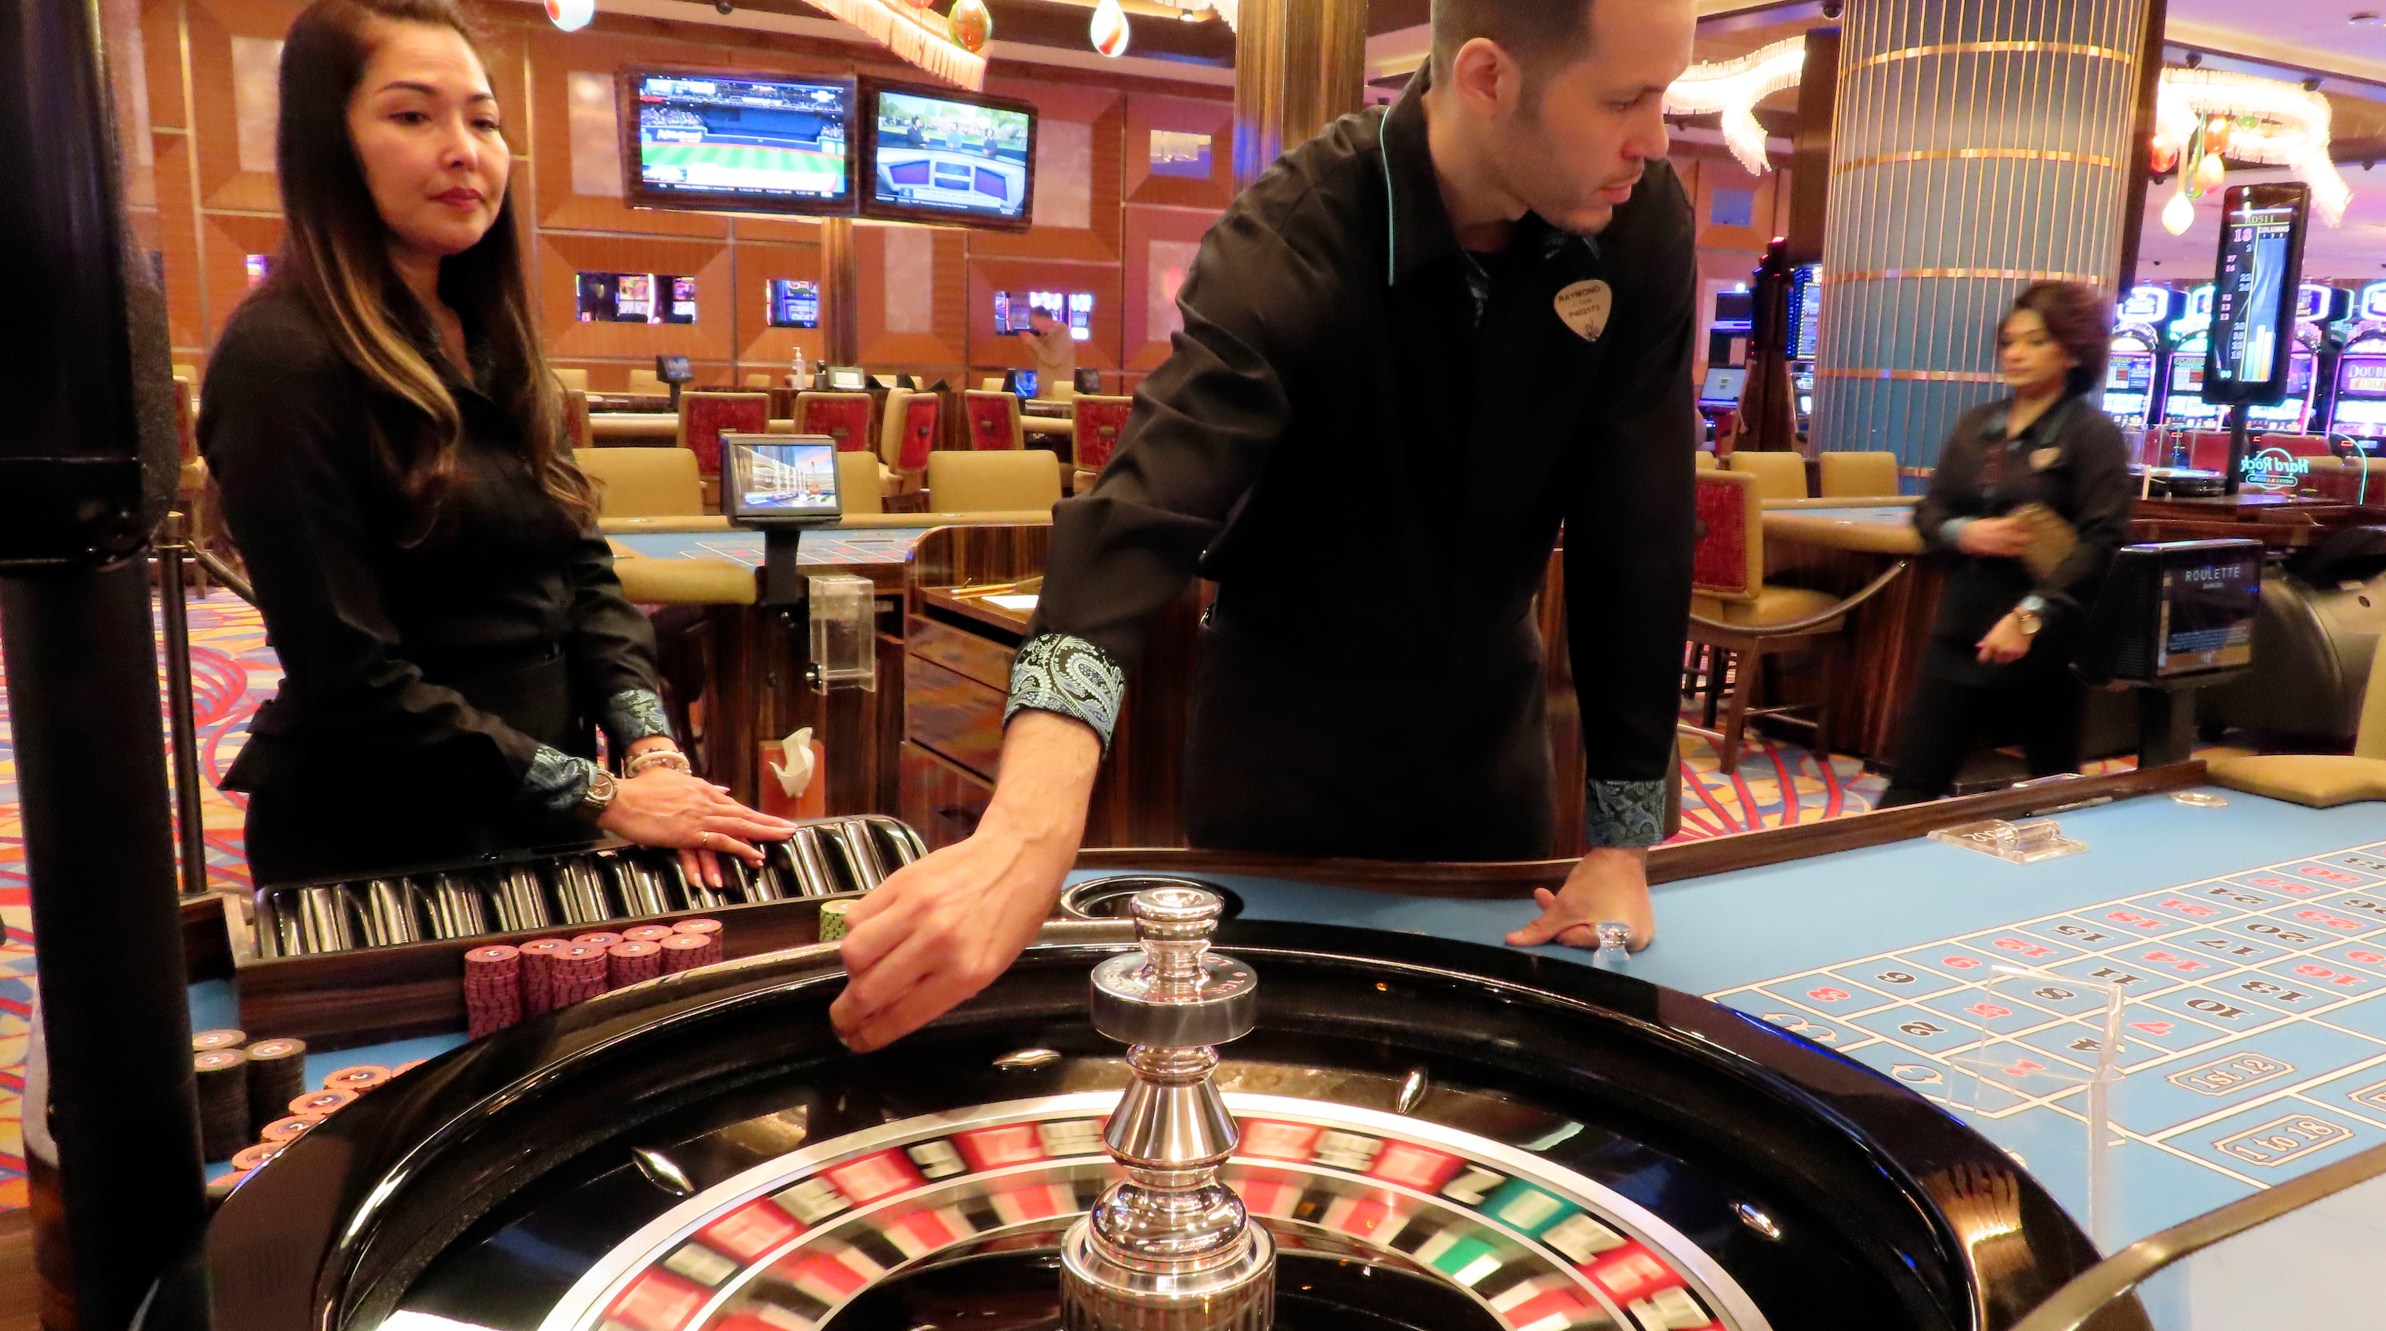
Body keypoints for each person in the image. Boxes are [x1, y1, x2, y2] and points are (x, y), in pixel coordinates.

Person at [831, 0, 1702, 1051]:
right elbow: (1142, 506)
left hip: (1491, 743)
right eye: (1625, 100)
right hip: (1285, 747)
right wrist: (1029, 821)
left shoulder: (1640, 220)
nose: (1655, 141)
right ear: (1486, 78)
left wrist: (1620, 843)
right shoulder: (1297, 229)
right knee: (1270, 1077)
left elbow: (1635, 524)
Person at [198, 0, 794, 886]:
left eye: (483, 121)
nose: (464, 150)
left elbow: (584, 575)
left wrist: (653, 754)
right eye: (412, 115)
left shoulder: (490, 336)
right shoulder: (281, 354)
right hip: (381, 832)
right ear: (330, 140)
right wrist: (604, 798)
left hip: (542, 813)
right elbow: (350, 673)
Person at [1877, 283, 2133, 808]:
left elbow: (2101, 542)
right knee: (1912, 784)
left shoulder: (2092, 434)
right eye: (2009, 342)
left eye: (2034, 342)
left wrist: (2030, 616)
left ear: (2071, 349)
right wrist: (1965, 532)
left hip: (2048, 639)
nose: (2015, 354)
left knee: (2056, 790)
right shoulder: (1977, 426)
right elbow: (1930, 512)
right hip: (1963, 627)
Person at [1023, 304, 1078, 399]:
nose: (1035, 328)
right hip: (1044, 392)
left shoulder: (1062, 333)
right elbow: (1039, 361)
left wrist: (1035, 343)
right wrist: (1030, 344)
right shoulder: (1045, 336)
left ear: (1045, 319)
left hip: (1058, 395)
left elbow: (1053, 360)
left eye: (1036, 324)